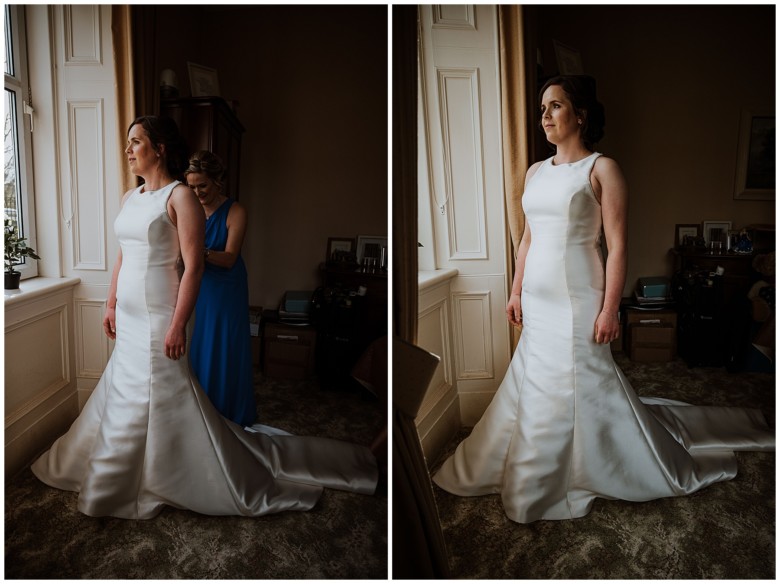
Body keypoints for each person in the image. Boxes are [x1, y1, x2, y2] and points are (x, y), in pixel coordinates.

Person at [432, 75, 774, 523]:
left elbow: (617, 246)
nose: (545, 117)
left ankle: (587, 468)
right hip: (537, 297)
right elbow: (527, 239)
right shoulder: (535, 172)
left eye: (555, 106)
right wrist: (515, 290)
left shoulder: (602, 168)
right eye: (542, 110)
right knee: (534, 378)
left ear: (581, 115)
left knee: (578, 379)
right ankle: (533, 463)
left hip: (579, 297)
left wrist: (611, 308)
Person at [31, 116, 377, 519]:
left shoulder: (180, 198)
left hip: (162, 313)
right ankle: (136, 469)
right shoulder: (130, 198)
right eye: (127, 142)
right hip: (127, 314)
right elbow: (123, 255)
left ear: (159, 148)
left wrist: (178, 323)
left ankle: (165, 474)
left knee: (159, 388)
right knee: (123, 387)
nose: (128, 150)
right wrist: (109, 304)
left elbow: (193, 266)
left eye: (136, 142)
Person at [184, 151, 256, 427]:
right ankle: (201, 411)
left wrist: (197, 252)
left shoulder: (236, 211)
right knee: (200, 343)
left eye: (202, 185)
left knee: (224, 345)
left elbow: (229, 258)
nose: (197, 192)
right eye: (191, 186)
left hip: (226, 288)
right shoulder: (190, 208)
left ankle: (227, 411)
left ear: (217, 182)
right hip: (199, 284)